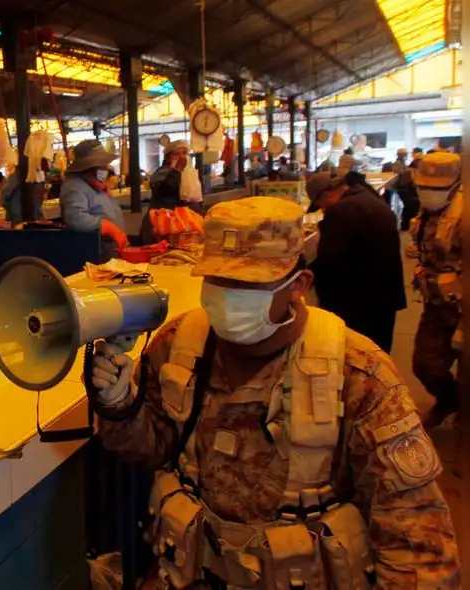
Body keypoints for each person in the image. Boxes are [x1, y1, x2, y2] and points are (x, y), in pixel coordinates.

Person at [90, 196, 459, 589]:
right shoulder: (179, 344)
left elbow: (414, 534)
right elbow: (153, 447)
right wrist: (119, 405)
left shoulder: (358, 373)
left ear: (298, 284)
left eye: (247, 284)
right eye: (217, 280)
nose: (226, 296)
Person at [306, 172, 406, 352]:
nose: (322, 210)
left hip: (358, 301)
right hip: (384, 294)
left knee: (357, 357)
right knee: (378, 355)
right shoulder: (367, 195)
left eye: (320, 205)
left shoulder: (341, 211)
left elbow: (330, 260)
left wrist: (304, 277)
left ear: (326, 194)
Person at [409, 152, 463, 427]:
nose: (429, 193)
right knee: (425, 364)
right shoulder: (428, 214)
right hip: (436, 306)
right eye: (424, 187)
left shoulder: (462, 218)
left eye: (437, 188)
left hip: (463, 308)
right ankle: (450, 400)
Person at [60, 139, 126, 260]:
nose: (105, 167)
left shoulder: (94, 184)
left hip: (109, 251)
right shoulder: (75, 186)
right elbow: (75, 218)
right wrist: (106, 226)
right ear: (87, 166)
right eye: (100, 163)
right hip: (94, 255)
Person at [139, 140, 189, 244]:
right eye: (176, 154)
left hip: (178, 226)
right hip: (159, 226)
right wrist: (177, 171)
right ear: (168, 157)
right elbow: (165, 191)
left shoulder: (189, 175)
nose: (181, 157)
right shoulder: (161, 173)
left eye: (184, 153)